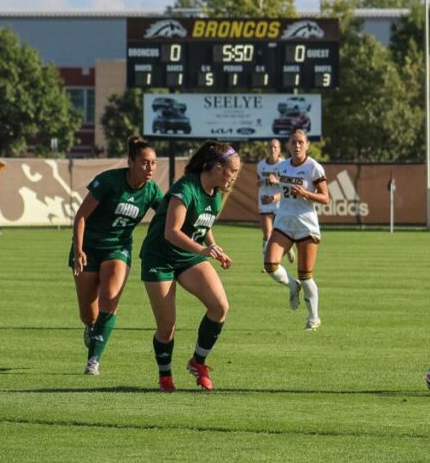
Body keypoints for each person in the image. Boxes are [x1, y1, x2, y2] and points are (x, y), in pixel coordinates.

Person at [139, 141, 240, 392]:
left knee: (220, 306)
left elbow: (203, 224)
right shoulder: (185, 189)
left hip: (187, 256)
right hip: (159, 257)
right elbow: (171, 232)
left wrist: (215, 248)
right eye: (233, 171)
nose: (234, 177)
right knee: (167, 327)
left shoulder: (216, 193)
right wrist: (203, 250)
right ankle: (165, 376)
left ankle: (198, 362)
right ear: (217, 168)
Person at [70, 137, 162, 376]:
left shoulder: (152, 190)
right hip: (88, 248)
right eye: (144, 162)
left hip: (118, 248)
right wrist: (78, 250)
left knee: (109, 298)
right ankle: (91, 328)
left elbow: (170, 215)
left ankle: (93, 360)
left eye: (153, 163)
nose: (150, 168)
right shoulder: (109, 181)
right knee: (88, 313)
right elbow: (80, 216)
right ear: (130, 162)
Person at [263, 129, 330, 331]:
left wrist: (306, 193)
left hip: (305, 225)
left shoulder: (313, 168)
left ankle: (313, 318)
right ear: (288, 145)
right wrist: (273, 198)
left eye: (301, 142)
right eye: (293, 142)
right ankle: (293, 286)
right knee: (270, 265)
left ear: (307, 145)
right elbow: (286, 194)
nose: (297, 145)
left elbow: (326, 198)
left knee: (305, 274)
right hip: (283, 222)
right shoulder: (283, 167)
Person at [256, 139, 295, 265]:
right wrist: (262, 182)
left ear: (279, 150)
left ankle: (288, 248)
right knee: (267, 234)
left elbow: (288, 185)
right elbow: (258, 181)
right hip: (265, 202)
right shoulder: (261, 165)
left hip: (280, 202)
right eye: (270, 147)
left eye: (275, 147)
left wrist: (277, 181)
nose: (272, 150)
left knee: (282, 232)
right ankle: (267, 263)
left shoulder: (284, 164)